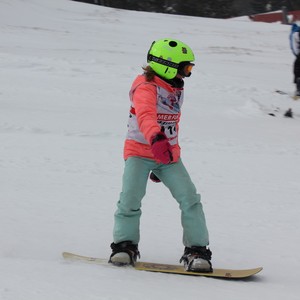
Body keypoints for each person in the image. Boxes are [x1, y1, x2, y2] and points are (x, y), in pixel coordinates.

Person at [109, 38, 212, 272]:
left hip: (167, 156)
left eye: (190, 69)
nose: (187, 74)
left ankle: (197, 250)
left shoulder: (174, 88)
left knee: (190, 200)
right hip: (140, 151)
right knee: (130, 200)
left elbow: (171, 125)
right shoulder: (145, 88)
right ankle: (124, 247)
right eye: (185, 68)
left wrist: (165, 155)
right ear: (167, 64)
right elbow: (146, 116)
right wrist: (156, 141)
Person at [290, 22, 300, 96]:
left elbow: (294, 47)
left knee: (297, 70)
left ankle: (299, 90)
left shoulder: (295, 33)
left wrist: (297, 55)